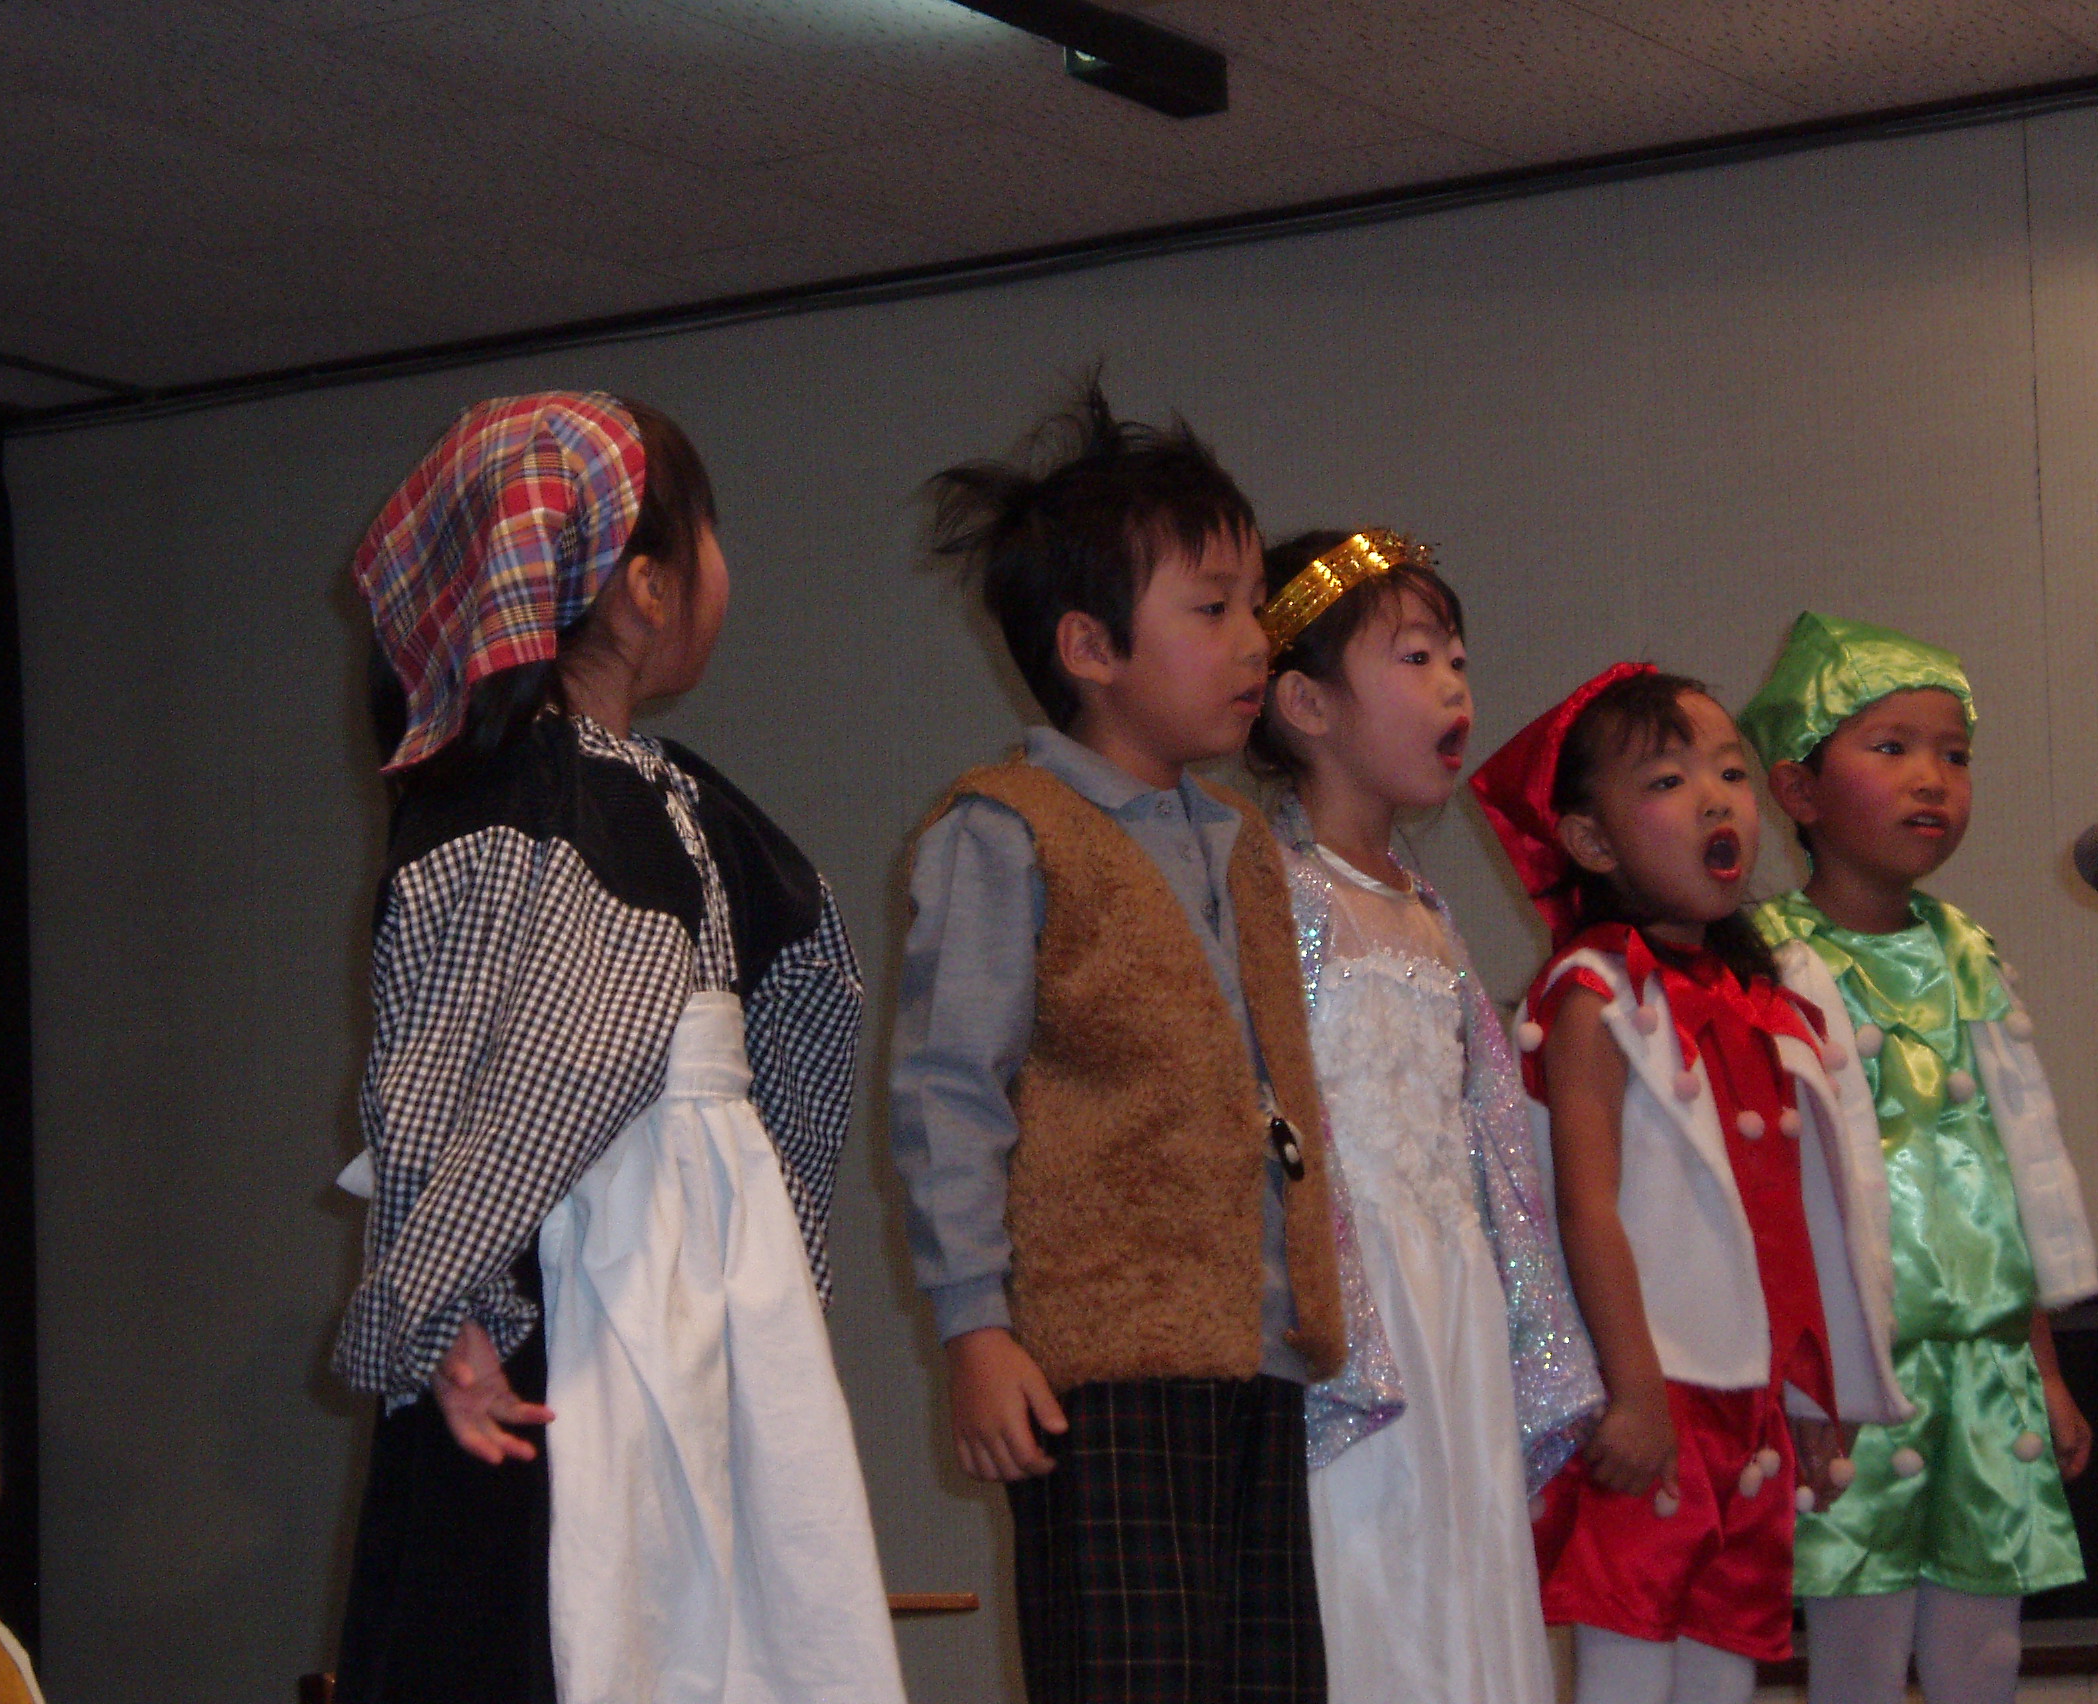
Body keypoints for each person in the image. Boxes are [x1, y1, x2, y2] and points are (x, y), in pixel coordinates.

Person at [329, 392, 905, 1704]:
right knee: (561, 1595)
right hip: (568, 1270)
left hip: (704, 1261)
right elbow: (441, 1073)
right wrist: (445, 1308)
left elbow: (800, 988)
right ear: (647, 586)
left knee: (721, 1603)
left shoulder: (671, 791)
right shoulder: (505, 799)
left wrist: (777, 1259)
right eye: (711, 535)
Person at [889, 383, 1347, 1704]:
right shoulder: (1007, 828)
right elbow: (949, 1091)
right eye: (1211, 609)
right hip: (1102, 1364)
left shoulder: (1241, 841)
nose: (1252, 640)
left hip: (1255, 1357)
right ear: (1090, 647)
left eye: (1254, 605)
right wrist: (977, 1333)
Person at [1468, 664, 1907, 1704]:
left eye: (1729, 773)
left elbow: (1809, 1219)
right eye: (1668, 781)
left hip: (1750, 1400)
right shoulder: (1594, 993)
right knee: (1629, 1659)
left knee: (1724, 1663)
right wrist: (1630, 1390)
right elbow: (1584, 1204)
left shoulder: (1767, 1002)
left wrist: (1820, 1387)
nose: (1716, 799)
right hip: (1653, 1392)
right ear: (1590, 841)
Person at [1249, 528, 1602, 1704]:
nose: (1454, 686)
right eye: (1414, 658)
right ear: (1305, 702)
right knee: (1375, 1584)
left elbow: (1485, 1126)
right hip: (1360, 1308)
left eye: (1457, 658)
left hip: (1456, 1299)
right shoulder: (1275, 893)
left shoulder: (1427, 908)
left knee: (1467, 1577)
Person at [1740, 612, 2098, 1704]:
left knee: (1985, 1651)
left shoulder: (1967, 951)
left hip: (1987, 1366)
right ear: (1798, 790)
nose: (1931, 778)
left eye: (1954, 753)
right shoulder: (1768, 961)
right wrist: (1797, 1384)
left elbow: (2010, 1169)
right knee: (1857, 1642)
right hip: (1859, 1376)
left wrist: (2042, 1367)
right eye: (1890, 747)